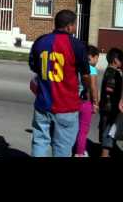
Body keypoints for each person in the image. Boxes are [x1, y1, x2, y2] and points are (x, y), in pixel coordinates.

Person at [29, 10, 91, 157]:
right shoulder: (77, 45)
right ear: (69, 27)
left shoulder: (40, 41)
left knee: (40, 141)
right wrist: (86, 90)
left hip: (43, 103)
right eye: (74, 25)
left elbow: (34, 67)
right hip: (66, 106)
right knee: (62, 146)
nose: (75, 28)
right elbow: (86, 75)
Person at [74, 45, 100, 157]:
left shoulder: (77, 67)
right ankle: (80, 153)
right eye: (97, 58)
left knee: (74, 128)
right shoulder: (92, 69)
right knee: (83, 130)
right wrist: (95, 103)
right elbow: (93, 87)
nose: (97, 61)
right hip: (86, 102)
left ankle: (74, 148)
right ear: (94, 57)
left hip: (74, 101)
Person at [98, 48, 123, 157]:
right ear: (115, 60)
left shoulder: (109, 71)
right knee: (108, 134)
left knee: (106, 132)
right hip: (110, 109)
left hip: (106, 107)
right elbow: (110, 90)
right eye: (121, 59)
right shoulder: (113, 74)